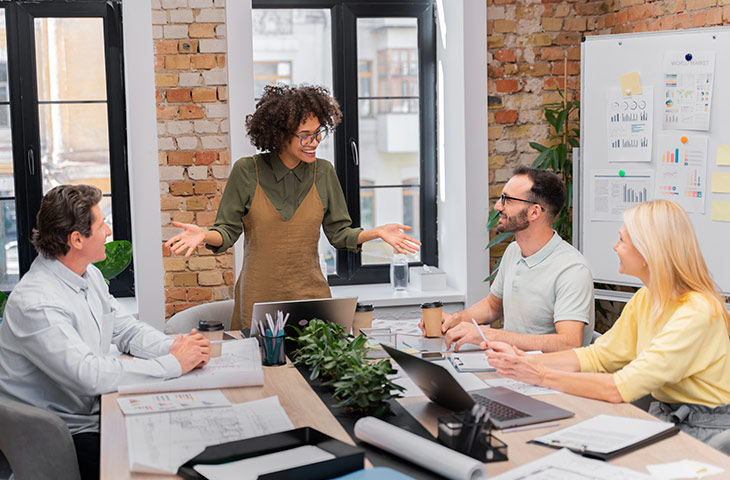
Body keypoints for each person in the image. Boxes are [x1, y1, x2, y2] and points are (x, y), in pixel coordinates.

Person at [166, 84, 420, 329]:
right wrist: (202, 234)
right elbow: (226, 232)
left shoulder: (323, 173)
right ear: (280, 135)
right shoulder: (247, 171)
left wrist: (376, 233)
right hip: (258, 297)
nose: (314, 142)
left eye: (318, 132)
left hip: (311, 296)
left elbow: (340, 235)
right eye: (305, 135)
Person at [0, 185, 211, 480]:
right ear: (76, 239)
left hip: (96, 412)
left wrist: (177, 347)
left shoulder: (88, 274)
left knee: (188, 435)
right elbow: (89, 375)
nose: (109, 231)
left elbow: (124, 329)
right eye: (101, 225)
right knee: (171, 464)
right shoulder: (36, 303)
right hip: (64, 436)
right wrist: (174, 363)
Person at [485, 200, 730, 451]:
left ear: (649, 252)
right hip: (668, 417)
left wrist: (539, 375)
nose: (615, 247)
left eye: (622, 240)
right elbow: (600, 356)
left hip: (708, 432)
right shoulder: (647, 298)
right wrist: (524, 361)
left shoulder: (698, 312)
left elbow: (620, 388)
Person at [421, 165, 594, 352]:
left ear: (534, 212)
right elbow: (492, 306)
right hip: (512, 367)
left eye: (507, 200)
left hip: (548, 375)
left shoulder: (572, 269)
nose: (497, 207)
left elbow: (569, 343)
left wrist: (489, 335)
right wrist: (455, 319)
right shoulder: (514, 250)